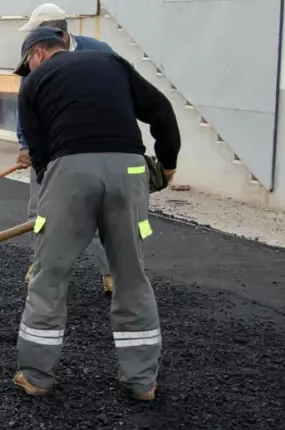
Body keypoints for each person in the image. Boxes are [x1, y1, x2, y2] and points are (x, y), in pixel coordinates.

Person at [12, 27, 180, 402]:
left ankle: (36, 375)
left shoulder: (34, 82)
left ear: (38, 53)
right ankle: (141, 382)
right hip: (130, 170)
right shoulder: (111, 62)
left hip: (68, 172)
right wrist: (167, 164)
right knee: (130, 276)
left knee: (50, 275)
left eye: (27, 63)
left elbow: (39, 154)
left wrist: (59, 200)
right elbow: (161, 110)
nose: (28, 69)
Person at [15, 3, 118, 297]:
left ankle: (112, 273)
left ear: (57, 32)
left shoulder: (99, 52)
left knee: (97, 213)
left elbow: (120, 89)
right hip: (46, 148)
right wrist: (26, 144)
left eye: (36, 34)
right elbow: (25, 102)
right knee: (39, 211)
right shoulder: (34, 56)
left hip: (89, 147)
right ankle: (42, 264)